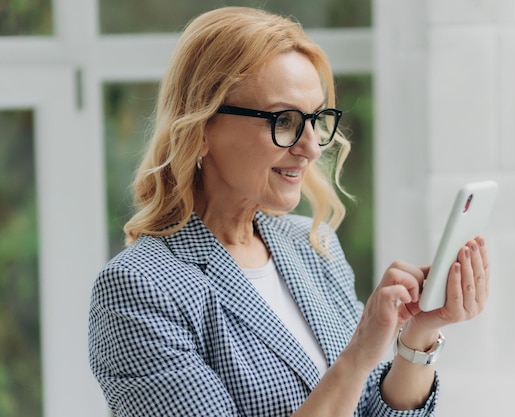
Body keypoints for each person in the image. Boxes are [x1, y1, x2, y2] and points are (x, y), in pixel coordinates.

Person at [88, 6, 490, 417]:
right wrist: (358, 354)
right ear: (202, 128)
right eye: (285, 120)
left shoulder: (313, 245)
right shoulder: (138, 288)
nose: (312, 147)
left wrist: (419, 333)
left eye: (316, 119)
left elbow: (365, 406)